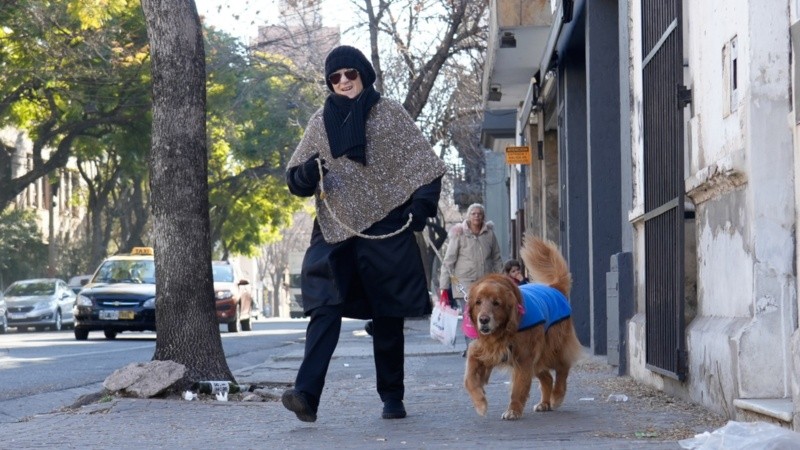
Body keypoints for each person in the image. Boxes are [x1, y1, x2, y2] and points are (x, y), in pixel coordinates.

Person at [282, 45, 447, 423]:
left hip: (386, 223)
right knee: (324, 305)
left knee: (387, 312)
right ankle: (305, 394)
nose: (343, 82)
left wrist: (420, 207)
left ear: (363, 75)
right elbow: (294, 177)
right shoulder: (319, 123)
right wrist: (306, 175)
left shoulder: (390, 115)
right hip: (335, 223)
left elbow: (424, 166)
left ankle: (392, 397)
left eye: (349, 74)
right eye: (335, 77)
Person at [438, 203, 503, 355]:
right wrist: (443, 286)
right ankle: (472, 347)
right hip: (464, 283)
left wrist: (502, 279)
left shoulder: (489, 234)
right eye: (473, 213)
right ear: (468, 216)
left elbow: (497, 258)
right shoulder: (459, 234)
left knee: (485, 313)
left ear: (483, 216)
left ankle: (485, 345)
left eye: (479, 213)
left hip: (485, 282)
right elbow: (448, 261)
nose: (476, 216)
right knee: (469, 315)